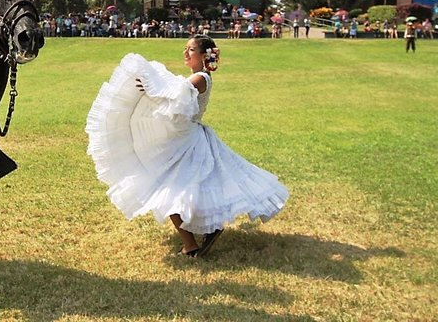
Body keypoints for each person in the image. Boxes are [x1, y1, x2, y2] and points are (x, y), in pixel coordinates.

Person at [85, 35, 289, 258]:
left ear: (203, 55)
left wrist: (150, 85)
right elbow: (172, 94)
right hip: (186, 137)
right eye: (186, 49)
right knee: (186, 186)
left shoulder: (201, 78)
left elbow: (174, 92)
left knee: (168, 187)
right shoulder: (194, 78)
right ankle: (208, 229)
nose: (186, 53)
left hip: (187, 141)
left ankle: (190, 244)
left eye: (191, 49)